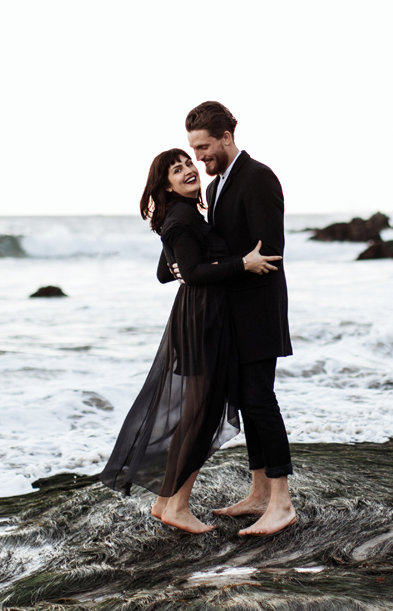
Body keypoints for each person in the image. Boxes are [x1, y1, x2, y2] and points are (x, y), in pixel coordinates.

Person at [99, 148, 280, 533]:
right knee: (201, 414)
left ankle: (167, 502)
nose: (187, 169)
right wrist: (239, 264)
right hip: (201, 321)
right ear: (164, 184)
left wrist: (186, 266)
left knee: (197, 412)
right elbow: (192, 273)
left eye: (187, 163)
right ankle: (177, 505)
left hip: (201, 317)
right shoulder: (182, 217)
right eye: (175, 169)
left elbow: (167, 272)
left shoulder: (183, 215)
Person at [166, 101, 298, 536]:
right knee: (246, 400)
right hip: (232, 317)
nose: (199, 157)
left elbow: (268, 255)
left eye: (203, 147)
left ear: (226, 137)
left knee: (260, 400)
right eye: (193, 148)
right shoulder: (220, 183)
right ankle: (259, 493)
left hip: (257, 312)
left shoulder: (257, 178)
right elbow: (213, 248)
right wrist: (180, 265)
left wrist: (222, 272)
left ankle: (281, 503)